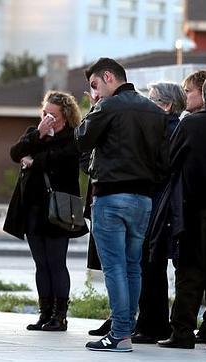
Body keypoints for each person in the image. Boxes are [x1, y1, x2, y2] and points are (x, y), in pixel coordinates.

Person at [76, 58, 167, 352]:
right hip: (143, 199)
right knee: (132, 268)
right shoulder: (155, 111)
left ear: (107, 76)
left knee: (114, 267)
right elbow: (164, 160)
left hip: (112, 195)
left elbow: (81, 139)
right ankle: (125, 331)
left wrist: (94, 105)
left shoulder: (107, 106)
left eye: (94, 85)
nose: (95, 92)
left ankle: (119, 333)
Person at [5, 91, 85, 332]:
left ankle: (60, 316)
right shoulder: (34, 133)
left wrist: (34, 161)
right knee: (40, 263)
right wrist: (39, 134)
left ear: (65, 116)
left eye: (52, 114)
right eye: (44, 113)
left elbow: (64, 161)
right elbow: (15, 153)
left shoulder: (73, 136)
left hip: (58, 208)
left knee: (56, 262)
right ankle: (44, 313)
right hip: (32, 208)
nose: (47, 117)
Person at [158, 75, 206, 351]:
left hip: (193, 210)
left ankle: (182, 332)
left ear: (205, 96)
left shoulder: (191, 124)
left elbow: (170, 162)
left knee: (190, 273)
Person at [129, 82, 186, 345]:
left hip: (158, 205)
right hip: (158, 204)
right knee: (151, 267)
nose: (147, 104)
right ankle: (152, 324)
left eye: (151, 100)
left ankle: (153, 325)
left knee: (150, 266)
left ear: (166, 105)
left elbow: (162, 167)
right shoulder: (169, 128)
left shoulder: (168, 130)